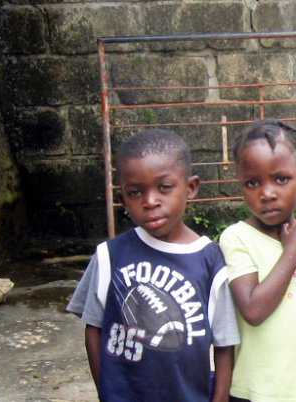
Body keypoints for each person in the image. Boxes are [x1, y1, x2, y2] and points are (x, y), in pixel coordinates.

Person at [66, 129, 239, 402]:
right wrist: (106, 392)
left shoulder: (210, 260)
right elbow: (93, 329)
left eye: (164, 187)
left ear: (190, 188)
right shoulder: (110, 256)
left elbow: (225, 343)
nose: (150, 201)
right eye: (136, 192)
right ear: (122, 200)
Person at [218, 119, 296, 402]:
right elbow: (253, 311)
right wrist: (293, 252)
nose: (267, 193)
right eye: (252, 182)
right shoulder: (237, 238)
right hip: (254, 391)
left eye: (281, 179)